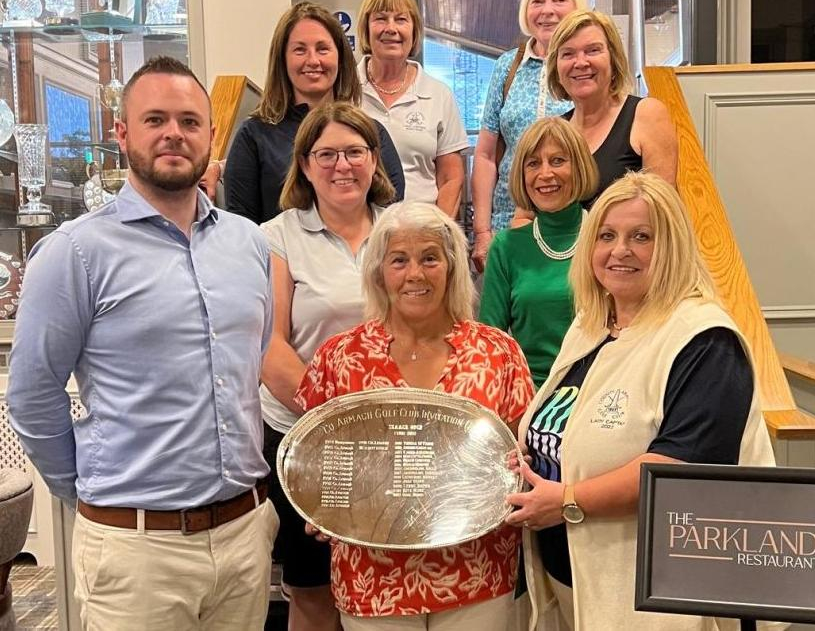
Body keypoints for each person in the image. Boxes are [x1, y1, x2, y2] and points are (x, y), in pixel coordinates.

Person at [6, 56, 277, 629]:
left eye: (189, 121)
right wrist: (93, 495)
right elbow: (32, 394)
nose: (173, 133)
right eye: (155, 120)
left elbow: (249, 367)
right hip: (137, 550)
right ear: (122, 133)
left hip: (244, 536)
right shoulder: (75, 252)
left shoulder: (250, 245)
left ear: (210, 135)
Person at [505, 173, 775, 630]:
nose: (620, 250)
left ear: (672, 247)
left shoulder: (705, 340)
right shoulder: (592, 324)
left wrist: (567, 499)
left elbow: (680, 469)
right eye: (606, 235)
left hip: (655, 600)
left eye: (641, 237)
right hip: (574, 581)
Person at [295, 201, 535, 630]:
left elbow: (520, 454)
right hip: (372, 577)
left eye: (430, 258)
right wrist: (321, 504)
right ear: (378, 272)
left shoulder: (498, 351)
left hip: (477, 570)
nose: (415, 274)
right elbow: (318, 455)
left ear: (452, 267)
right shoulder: (340, 355)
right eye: (399, 260)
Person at [260, 101, 394, 631]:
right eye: (327, 154)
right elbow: (270, 348)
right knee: (314, 591)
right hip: (304, 435)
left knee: (386, 582)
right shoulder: (277, 236)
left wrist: (374, 425)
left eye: (355, 152)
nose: (343, 165)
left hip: (393, 438)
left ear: (374, 160)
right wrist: (339, 423)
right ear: (305, 164)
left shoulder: (401, 228)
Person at [207, 1, 404, 223]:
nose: (313, 60)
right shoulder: (254, 136)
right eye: (300, 50)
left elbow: (391, 216)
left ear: (340, 56)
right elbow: (242, 226)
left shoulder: (373, 133)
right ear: (282, 59)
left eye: (322, 49)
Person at [471, 0, 587, 271]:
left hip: (570, 225)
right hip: (508, 224)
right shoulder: (507, 67)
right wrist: (482, 232)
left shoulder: (585, 69)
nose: (547, 10)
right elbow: (485, 155)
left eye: (559, 0)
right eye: (537, 1)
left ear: (578, 5)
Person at [479, 117, 598, 389]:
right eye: (533, 164)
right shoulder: (506, 247)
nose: (545, 174)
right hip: (528, 393)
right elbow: (490, 342)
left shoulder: (606, 238)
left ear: (579, 167)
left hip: (598, 390)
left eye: (557, 161)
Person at [355, 0, 468, 218]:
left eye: (401, 19)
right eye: (381, 19)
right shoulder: (344, 91)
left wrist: (439, 229)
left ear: (414, 30)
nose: (391, 28)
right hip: (358, 226)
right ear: (366, 28)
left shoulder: (438, 94)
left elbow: (451, 178)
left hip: (422, 226)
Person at [546, 9, 678, 207]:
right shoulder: (553, 132)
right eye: (568, 54)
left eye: (593, 50)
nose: (580, 62)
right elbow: (524, 215)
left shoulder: (646, 114)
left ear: (613, 59)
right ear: (556, 68)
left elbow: (663, 209)